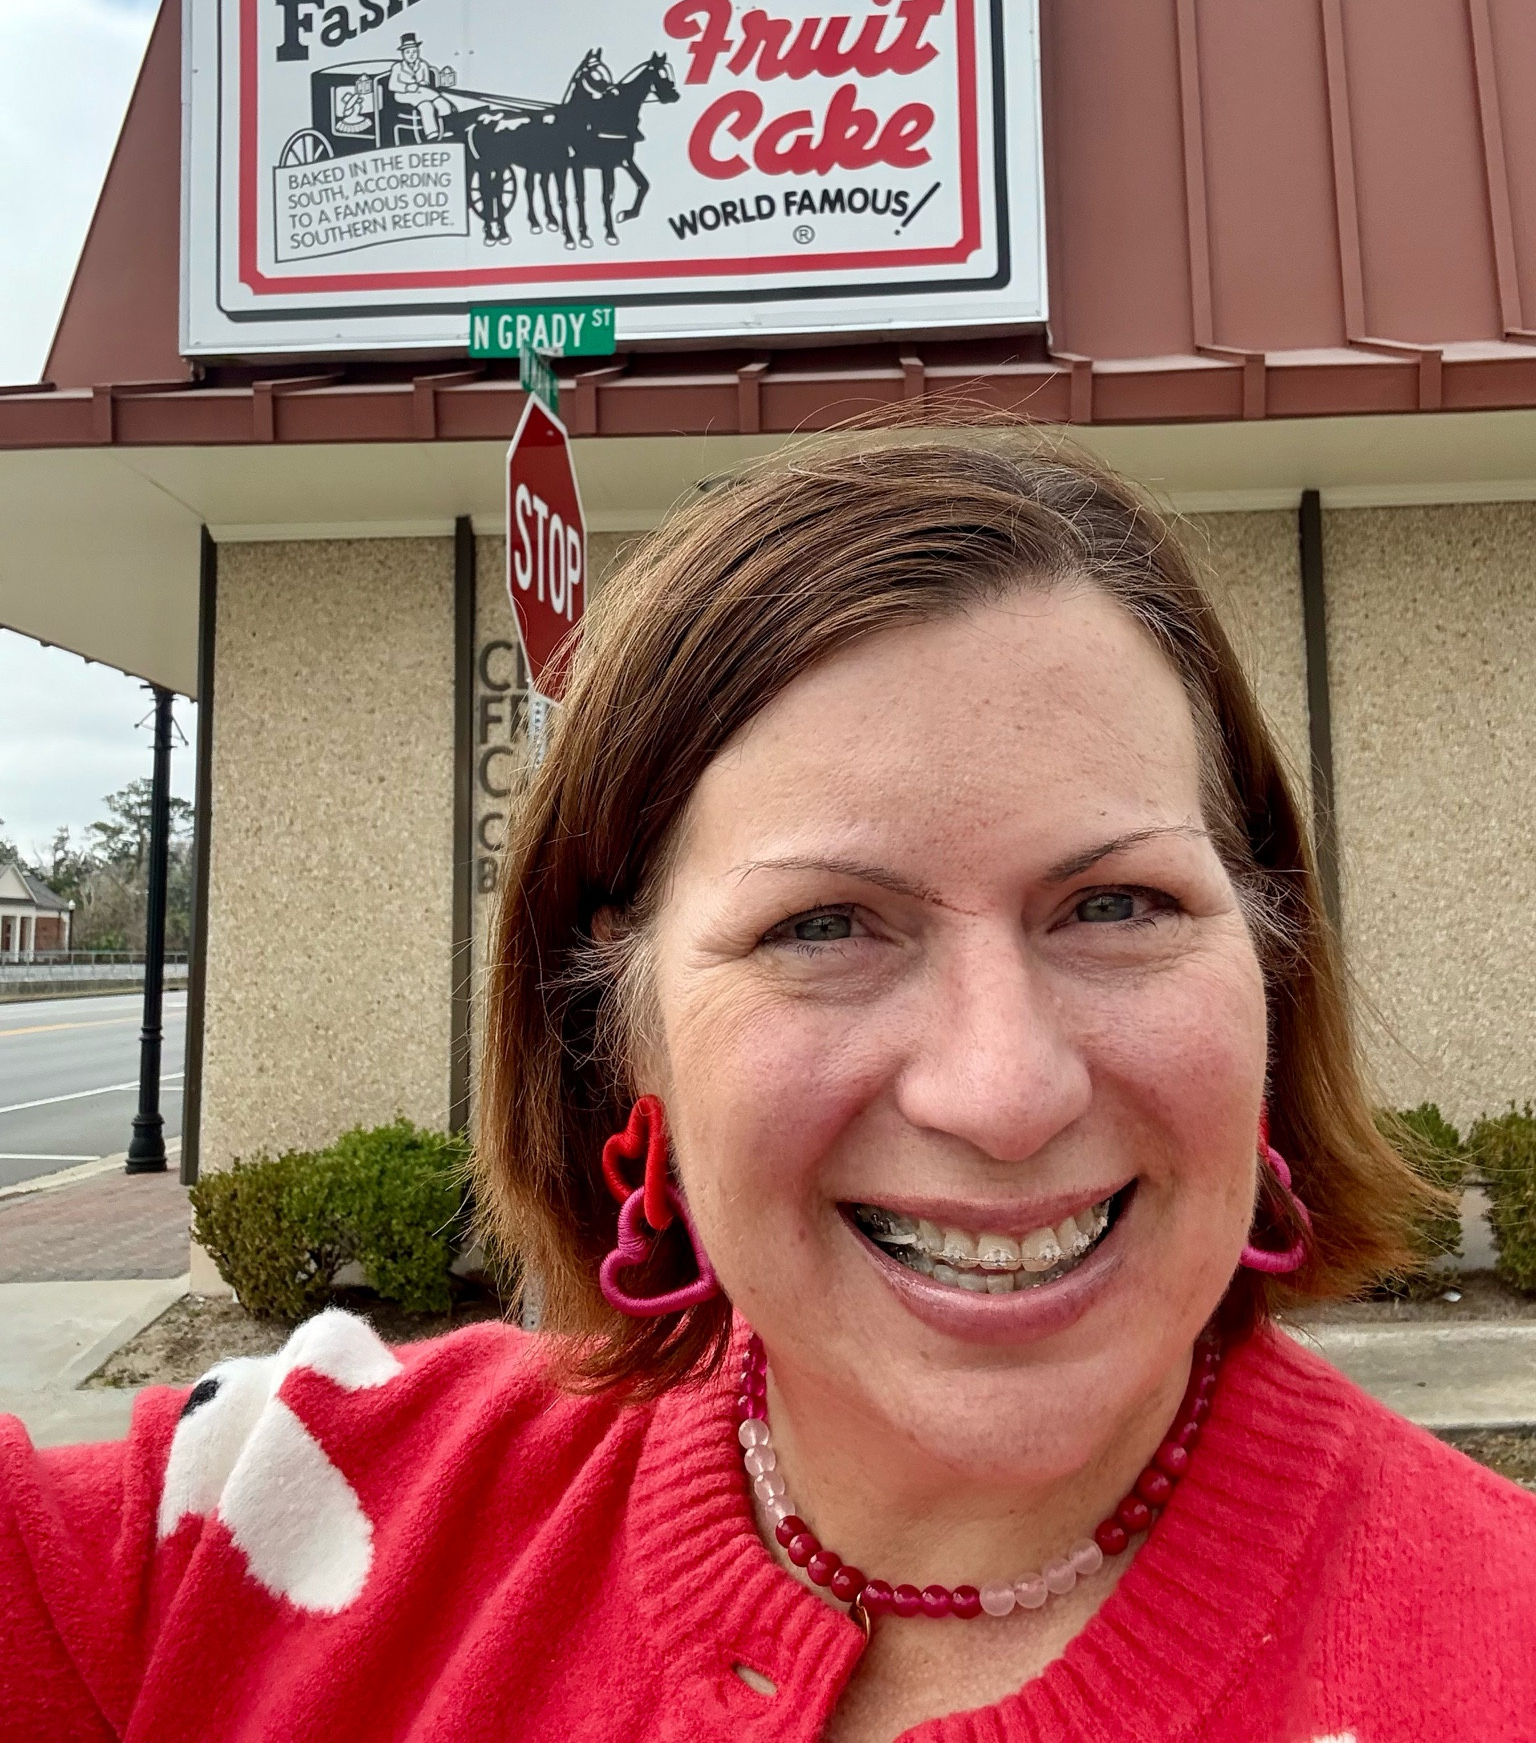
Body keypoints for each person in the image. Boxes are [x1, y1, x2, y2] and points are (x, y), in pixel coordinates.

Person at [4, 434, 1535, 1743]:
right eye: (822, 927)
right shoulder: (247, 1525)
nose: (1001, 1092)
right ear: (626, 1034)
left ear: (1268, 967)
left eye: (1117, 905)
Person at [387, 33, 454, 141]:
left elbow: (425, 80)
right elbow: (392, 85)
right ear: (403, 54)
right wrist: (407, 87)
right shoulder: (397, 67)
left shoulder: (423, 65)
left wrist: (422, 83)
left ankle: (446, 130)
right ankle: (432, 135)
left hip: (421, 91)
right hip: (404, 95)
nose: (411, 55)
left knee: (443, 104)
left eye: (414, 51)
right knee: (426, 106)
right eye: (408, 52)